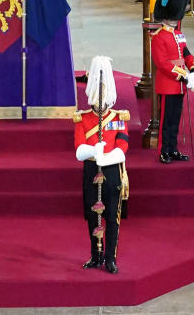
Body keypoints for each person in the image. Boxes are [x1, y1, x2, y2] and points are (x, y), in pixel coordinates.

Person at [74, 56, 128, 274]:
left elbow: (123, 146)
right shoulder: (82, 118)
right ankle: (95, 255)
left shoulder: (119, 117)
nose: (101, 101)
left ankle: (110, 257)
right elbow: (79, 149)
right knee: (92, 215)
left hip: (112, 171)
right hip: (90, 171)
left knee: (112, 219)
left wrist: (105, 157)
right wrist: (92, 151)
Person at [151, 0, 194, 163]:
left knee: (176, 121)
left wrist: (193, 68)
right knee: (166, 121)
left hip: (179, 86)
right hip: (169, 84)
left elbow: (185, 52)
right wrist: (183, 74)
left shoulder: (178, 34)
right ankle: (164, 150)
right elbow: (162, 63)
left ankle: (173, 149)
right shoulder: (159, 36)